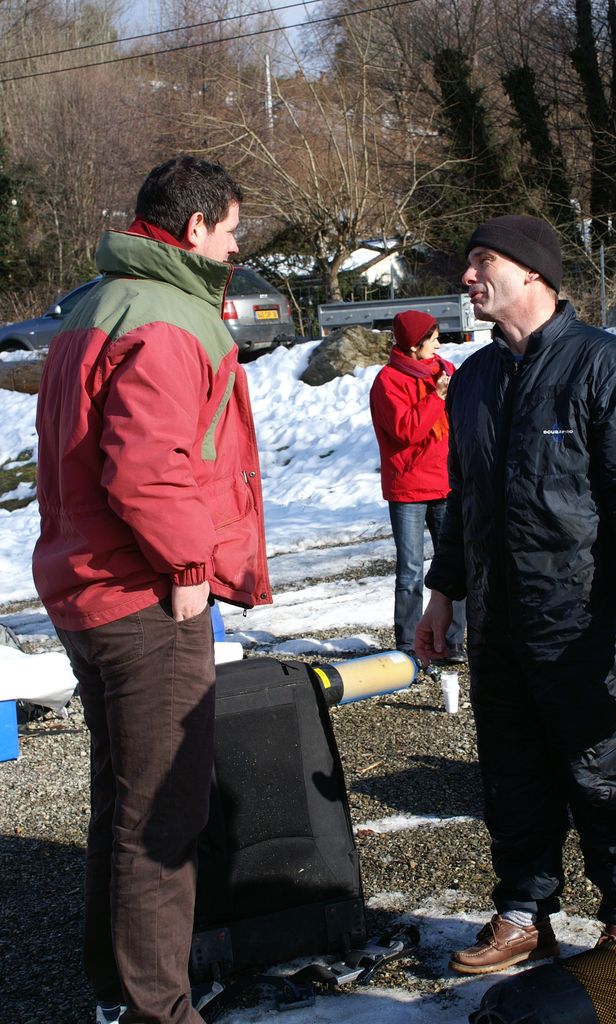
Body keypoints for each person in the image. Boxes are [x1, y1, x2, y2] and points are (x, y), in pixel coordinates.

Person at [32, 156, 271, 1024]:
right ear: (195, 227)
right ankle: (157, 1011)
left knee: (125, 801)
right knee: (164, 814)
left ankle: (117, 990)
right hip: (140, 592)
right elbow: (146, 467)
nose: (237, 247)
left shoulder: (98, 302)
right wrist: (187, 569)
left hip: (85, 583)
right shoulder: (166, 315)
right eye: (232, 230)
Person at [415, 214, 616, 974]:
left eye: (482, 261)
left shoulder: (606, 365)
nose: (467, 277)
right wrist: (443, 594)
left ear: (532, 271)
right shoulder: (472, 379)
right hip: (499, 618)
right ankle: (523, 913)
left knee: (604, 770)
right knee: (510, 772)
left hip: (583, 615)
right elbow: (461, 499)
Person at [370, 310, 466, 662]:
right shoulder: (388, 381)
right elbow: (406, 431)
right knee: (410, 570)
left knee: (453, 567)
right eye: (433, 338)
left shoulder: (446, 371)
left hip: (445, 484)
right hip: (408, 488)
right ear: (414, 344)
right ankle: (409, 644)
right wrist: (436, 397)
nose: (439, 344)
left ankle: (451, 641)